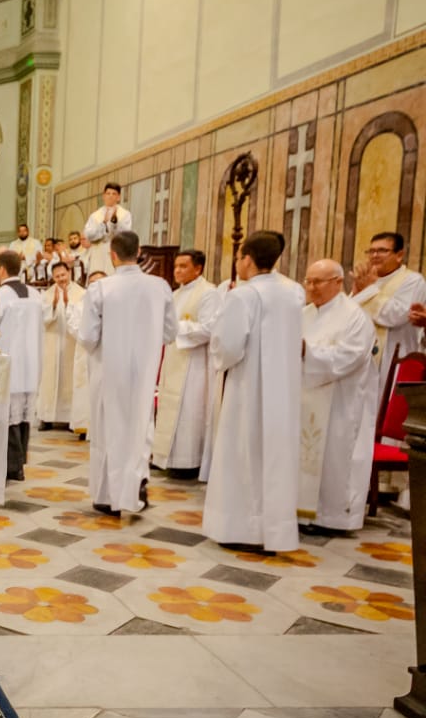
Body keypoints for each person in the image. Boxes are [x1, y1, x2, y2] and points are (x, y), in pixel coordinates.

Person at [203, 231, 303, 552]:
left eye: (238, 257)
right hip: (284, 389)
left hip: (248, 387)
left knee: (242, 453)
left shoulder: (242, 296)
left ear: (247, 258)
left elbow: (228, 346)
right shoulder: (295, 292)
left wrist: (219, 351)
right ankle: (273, 531)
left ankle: (242, 530)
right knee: (274, 457)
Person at [77, 230, 176, 515]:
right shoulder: (160, 286)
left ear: (112, 254)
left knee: (108, 429)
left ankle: (108, 496)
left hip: (107, 370)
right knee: (140, 428)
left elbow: (87, 336)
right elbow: (170, 333)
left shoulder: (101, 288)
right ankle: (136, 487)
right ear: (139, 251)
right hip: (144, 372)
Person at [298, 260, 378, 532]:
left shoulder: (354, 316)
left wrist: (308, 353)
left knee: (334, 456)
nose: (311, 287)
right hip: (304, 399)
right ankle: (302, 511)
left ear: (337, 282)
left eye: (318, 281)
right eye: (308, 281)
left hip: (340, 402)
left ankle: (331, 517)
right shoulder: (304, 314)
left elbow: (350, 356)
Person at [152, 249, 220, 477]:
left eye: (183, 266)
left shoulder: (209, 293)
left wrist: (177, 328)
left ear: (198, 268)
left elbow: (210, 328)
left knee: (190, 411)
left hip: (195, 364)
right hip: (174, 358)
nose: (177, 271)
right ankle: (166, 456)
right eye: (176, 266)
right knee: (169, 407)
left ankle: (188, 461)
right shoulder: (175, 294)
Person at [0, 250, 44, 480]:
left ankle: (11, 466)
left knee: (10, 413)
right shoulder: (36, 294)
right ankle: (19, 464)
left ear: (1, 269)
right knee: (22, 413)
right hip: (31, 361)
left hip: (8, 361)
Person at [350, 231, 426, 397]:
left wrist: (367, 292)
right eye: (372, 251)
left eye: (382, 251)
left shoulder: (412, 280)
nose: (375, 255)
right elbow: (349, 315)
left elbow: (396, 315)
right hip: (363, 359)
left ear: (399, 255)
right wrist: (356, 292)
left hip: (394, 358)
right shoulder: (368, 280)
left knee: (385, 409)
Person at [38, 260, 84, 428]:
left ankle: (68, 418)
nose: (61, 279)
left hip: (71, 343)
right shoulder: (47, 294)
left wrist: (67, 303)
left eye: (63, 275)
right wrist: (54, 305)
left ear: (69, 273)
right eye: (57, 276)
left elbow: (81, 317)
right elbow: (43, 318)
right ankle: (47, 416)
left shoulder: (81, 293)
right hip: (52, 342)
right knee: (49, 377)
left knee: (69, 377)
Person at [67, 270, 107, 437]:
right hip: (85, 350)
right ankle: (84, 426)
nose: (95, 286)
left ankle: (101, 428)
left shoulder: (113, 302)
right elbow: (72, 324)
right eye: (92, 283)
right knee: (84, 390)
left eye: (99, 282)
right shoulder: (80, 303)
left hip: (106, 353)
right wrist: (89, 337)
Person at [82, 182, 133, 276]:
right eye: (108, 193)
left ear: (118, 197)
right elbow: (89, 235)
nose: (110, 196)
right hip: (98, 253)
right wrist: (104, 223)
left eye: (114, 194)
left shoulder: (125, 214)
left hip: (116, 253)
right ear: (104, 196)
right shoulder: (95, 215)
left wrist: (114, 223)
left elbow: (126, 235)